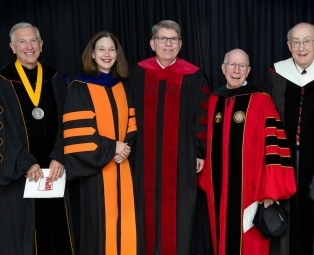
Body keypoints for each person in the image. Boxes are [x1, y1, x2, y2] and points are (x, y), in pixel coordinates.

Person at [198, 49, 296, 255]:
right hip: (219, 188)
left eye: (242, 66)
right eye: (232, 65)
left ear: (248, 70)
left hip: (251, 191)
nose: (236, 70)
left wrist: (270, 189)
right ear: (223, 68)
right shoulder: (215, 99)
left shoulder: (261, 100)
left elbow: (274, 146)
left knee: (250, 244)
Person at [129, 20, 210, 255]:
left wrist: (199, 151)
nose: (168, 44)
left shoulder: (194, 77)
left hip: (182, 159)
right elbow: (129, 113)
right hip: (144, 158)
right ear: (152, 43)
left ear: (180, 44)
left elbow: (202, 117)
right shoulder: (137, 74)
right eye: (162, 39)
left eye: (173, 39)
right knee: (145, 211)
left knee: (180, 214)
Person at [262, 22, 314, 255]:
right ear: (289, 45)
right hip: (282, 161)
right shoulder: (274, 74)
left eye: (307, 41)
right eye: (296, 42)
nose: (302, 47)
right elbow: (262, 121)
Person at [0, 22, 73, 255]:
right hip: (23, 174)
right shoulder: (2, 81)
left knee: (59, 231)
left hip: (56, 171)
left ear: (41, 45)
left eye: (33, 41)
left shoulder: (56, 78)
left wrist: (60, 155)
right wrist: (23, 161)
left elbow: (70, 121)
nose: (29, 46)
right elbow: (3, 130)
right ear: (12, 47)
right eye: (22, 41)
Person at [63, 31, 137, 255]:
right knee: (100, 225)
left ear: (117, 55)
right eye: (101, 49)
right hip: (96, 170)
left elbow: (132, 125)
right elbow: (79, 132)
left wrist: (125, 148)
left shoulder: (122, 85)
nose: (107, 54)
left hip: (122, 165)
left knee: (125, 221)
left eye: (111, 49)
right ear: (92, 54)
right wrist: (112, 147)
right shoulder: (79, 86)